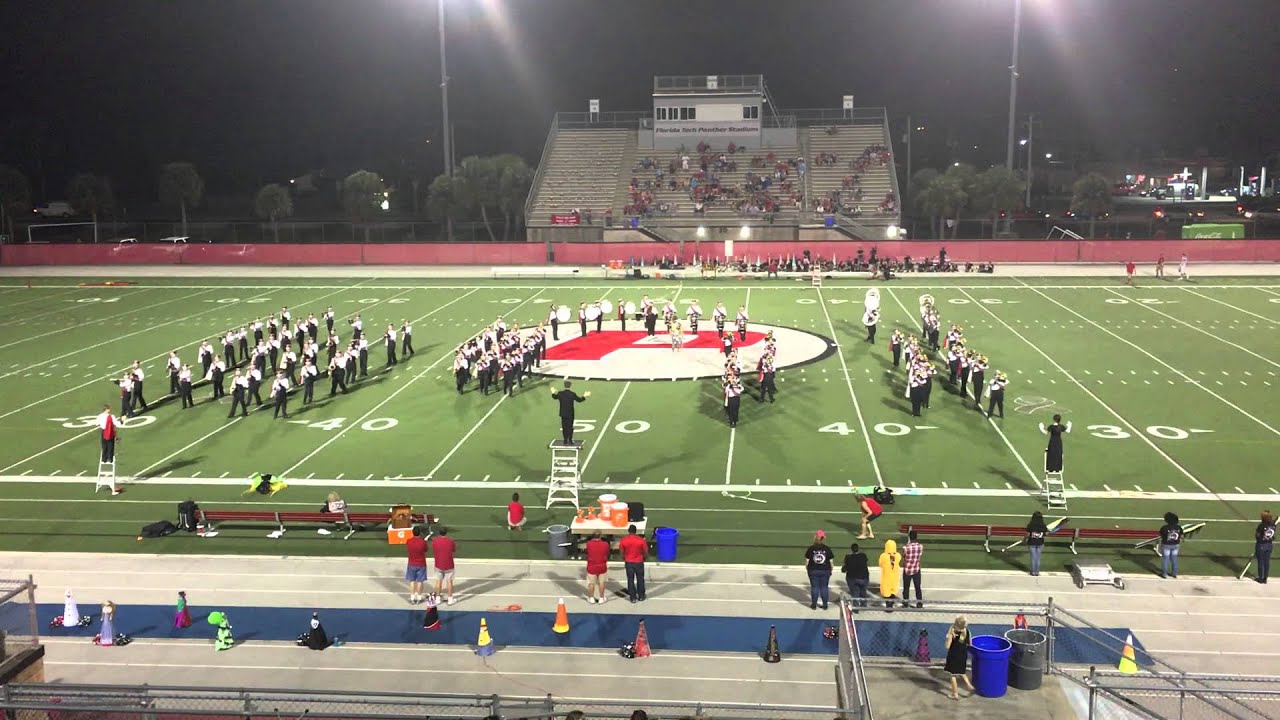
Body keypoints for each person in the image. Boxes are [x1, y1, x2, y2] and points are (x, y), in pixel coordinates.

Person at [943, 616, 976, 700]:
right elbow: (970, 643)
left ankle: (955, 694)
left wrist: (947, 638)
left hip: (953, 656)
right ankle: (969, 687)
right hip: (963, 655)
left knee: (953, 675)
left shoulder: (952, 633)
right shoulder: (967, 632)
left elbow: (947, 646)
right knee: (962, 671)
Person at [804, 530, 834, 610]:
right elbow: (831, 562)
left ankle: (814, 605)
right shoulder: (827, 548)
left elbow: (807, 562)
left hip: (813, 570)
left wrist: (808, 570)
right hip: (825, 570)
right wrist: (830, 570)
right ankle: (825, 605)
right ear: (823, 538)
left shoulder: (811, 548)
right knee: (824, 587)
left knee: (814, 587)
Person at [618, 524, 647, 603]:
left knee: (630, 580)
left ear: (628, 531)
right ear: (635, 531)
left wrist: (624, 558)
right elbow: (645, 551)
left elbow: (621, 551)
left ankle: (633, 598)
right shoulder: (641, 540)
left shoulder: (624, 540)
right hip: (639, 562)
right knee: (640, 579)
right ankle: (641, 596)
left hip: (629, 562)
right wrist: (644, 558)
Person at [432, 527, 457, 604]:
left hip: (438, 564)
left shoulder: (435, 541)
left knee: (438, 581)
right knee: (449, 581)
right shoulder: (450, 541)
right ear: (446, 532)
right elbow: (453, 550)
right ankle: (450, 599)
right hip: (449, 564)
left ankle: (437, 599)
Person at [841, 543, 870, 609]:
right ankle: (863, 605)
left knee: (855, 592)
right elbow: (867, 564)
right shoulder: (863, 556)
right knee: (863, 591)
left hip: (852, 578)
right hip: (864, 578)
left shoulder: (848, 557)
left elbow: (843, 570)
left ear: (851, 550)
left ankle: (856, 606)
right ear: (858, 549)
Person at [585, 531, 610, 604]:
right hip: (602, 566)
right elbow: (607, 552)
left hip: (592, 566)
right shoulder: (605, 544)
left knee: (591, 583)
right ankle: (601, 598)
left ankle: (591, 598)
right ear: (600, 536)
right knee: (602, 582)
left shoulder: (589, 544)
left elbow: (587, 552)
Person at [900, 530, 923, 608]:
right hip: (916, 569)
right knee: (918, 587)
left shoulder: (905, 548)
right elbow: (919, 556)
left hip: (907, 570)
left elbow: (903, 556)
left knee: (906, 588)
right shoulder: (920, 546)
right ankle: (919, 603)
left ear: (909, 537)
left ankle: (906, 603)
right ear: (916, 537)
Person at [405, 526, 428, 604]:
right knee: (420, 581)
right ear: (420, 533)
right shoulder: (422, 542)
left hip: (411, 563)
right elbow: (425, 550)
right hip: (421, 564)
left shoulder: (409, 541)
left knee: (412, 581)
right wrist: (424, 542)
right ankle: (418, 598)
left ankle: (412, 598)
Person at [878, 539, 901, 610]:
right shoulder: (898, 555)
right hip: (894, 578)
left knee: (886, 591)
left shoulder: (883, 556)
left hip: (886, 577)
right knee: (893, 591)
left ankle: (888, 604)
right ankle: (892, 603)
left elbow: (880, 564)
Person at [1159, 511, 1182, 579]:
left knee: (1165, 559)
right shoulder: (1179, 527)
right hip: (1176, 545)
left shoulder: (1164, 528)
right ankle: (1174, 573)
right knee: (1174, 559)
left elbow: (1161, 535)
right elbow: (1181, 535)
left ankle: (1164, 574)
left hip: (1166, 544)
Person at [1255, 511, 1275, 584]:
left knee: (1260, 562)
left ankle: (1260, 578)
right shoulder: (1273, 525)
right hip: (1269, 545)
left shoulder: (1261, 525)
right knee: (1267, 562)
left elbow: (1257, 536)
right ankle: (1265, 578)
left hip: (1261, 545)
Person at [1026, 511, 1048, 576]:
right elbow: (1046, 533)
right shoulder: (1043, 525)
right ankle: (1037, 572)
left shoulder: (1030, 525)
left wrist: (1024, 540)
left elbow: (1027, 534)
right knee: (1038, 558)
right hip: (1040, 543)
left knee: (1033, 558)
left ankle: (1033, 572)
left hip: (1032, 543)